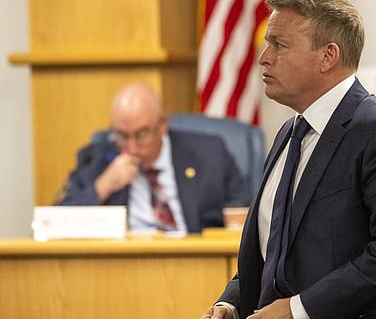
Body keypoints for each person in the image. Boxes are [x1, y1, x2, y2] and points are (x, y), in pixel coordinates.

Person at [198, 0, 376, 319]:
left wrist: (300, 313)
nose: (263, 58)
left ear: (328, 56)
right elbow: (275, 254)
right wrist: (231, 309)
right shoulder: (289, 134)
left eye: (279, 44)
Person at [57, 82, 251, 232]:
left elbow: (244, 212)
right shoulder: (98, 158)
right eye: (122, 135)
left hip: (196, 264)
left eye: (141, 134)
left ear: (162, 125)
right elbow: (57, 221)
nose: (131, 147)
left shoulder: (209, 153)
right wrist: (103, 186)